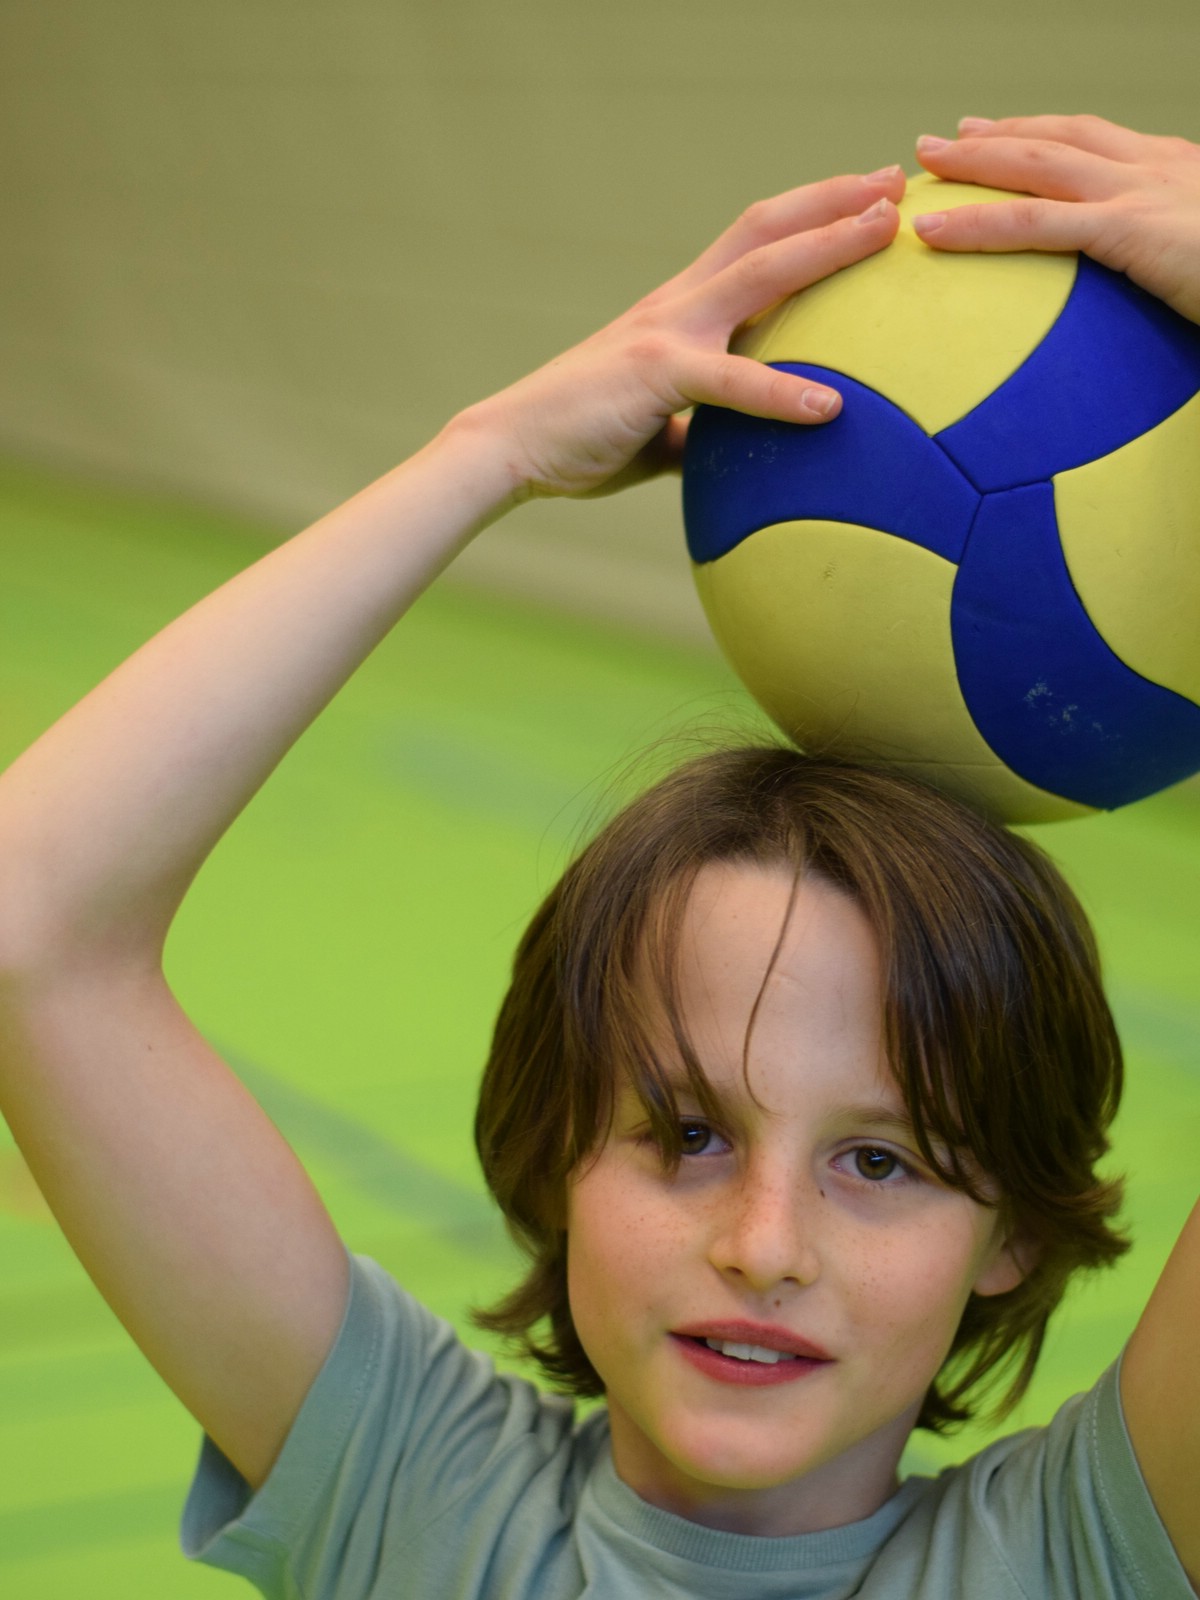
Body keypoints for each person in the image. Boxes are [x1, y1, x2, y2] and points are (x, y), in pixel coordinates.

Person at [0, 114, 1195, 1598]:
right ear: (554, 1151)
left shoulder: (1079, 1558)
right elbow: (28, 916)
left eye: (879, 1161)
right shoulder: (416, 1506)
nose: (764, 1246)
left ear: (1009, 1227)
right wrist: (488, 454)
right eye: (686, 1133)